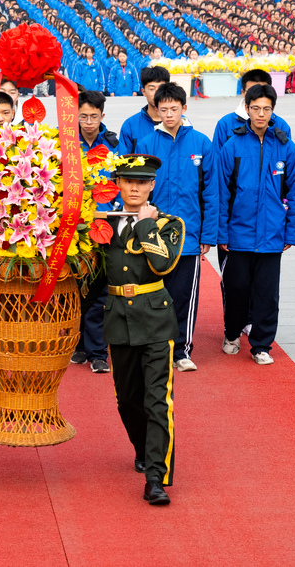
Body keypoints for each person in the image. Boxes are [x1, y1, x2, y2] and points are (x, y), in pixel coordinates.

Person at [103, 153, 185, 505]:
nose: (134, 187)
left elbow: (163, 262)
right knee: (127, 401)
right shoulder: (104, 224)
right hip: (118, 319)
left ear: (152, 185)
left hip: (154, 321)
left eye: (142, 182)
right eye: (128, 181)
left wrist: (145, 225)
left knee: (157, 401)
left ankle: (156, 475)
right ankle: (142, 449)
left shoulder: (168, 223)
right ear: (118, 184)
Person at [125, 83, 217, 372]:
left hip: (188, 237)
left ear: (184, 109)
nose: (168, 114)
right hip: (154, 234)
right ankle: (152, 348)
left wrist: (208, 234)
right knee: (151, 293)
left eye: (174, 109)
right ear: (156, 109)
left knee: (183, 296)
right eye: (163, 109)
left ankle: (181, 351)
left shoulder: (201, 143)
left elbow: (211, 193)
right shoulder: (146, 145)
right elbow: (136, 191)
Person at [217, 84, 295, 366]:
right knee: (237, 288)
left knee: (267, 294)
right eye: (255, 108)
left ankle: (261, 345)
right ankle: (232, 334)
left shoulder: (286, 146)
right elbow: (221, 192)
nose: (261, 114)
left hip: (272, 235)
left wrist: (291, 232)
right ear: (247, 109)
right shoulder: (233, 145)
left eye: (266, 109)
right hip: (238, 233)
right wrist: (221, 232)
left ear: (273, 110)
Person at [72, 90, 119, 373]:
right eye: (83, 116)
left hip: (106, 224)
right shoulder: (64, 143)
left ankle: (98, 351)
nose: (88, 122)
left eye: (94, 116)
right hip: (74, 226)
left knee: (102, 289)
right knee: (77, 286)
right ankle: (78, 345)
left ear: (102, 116)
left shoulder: (113, 143)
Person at [116, 65, 170, 155]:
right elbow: (123, 160)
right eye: (152, 89)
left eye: (161, 88)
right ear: (143, 91)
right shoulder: (130, 125)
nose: (157, 93)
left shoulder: (181, 123)